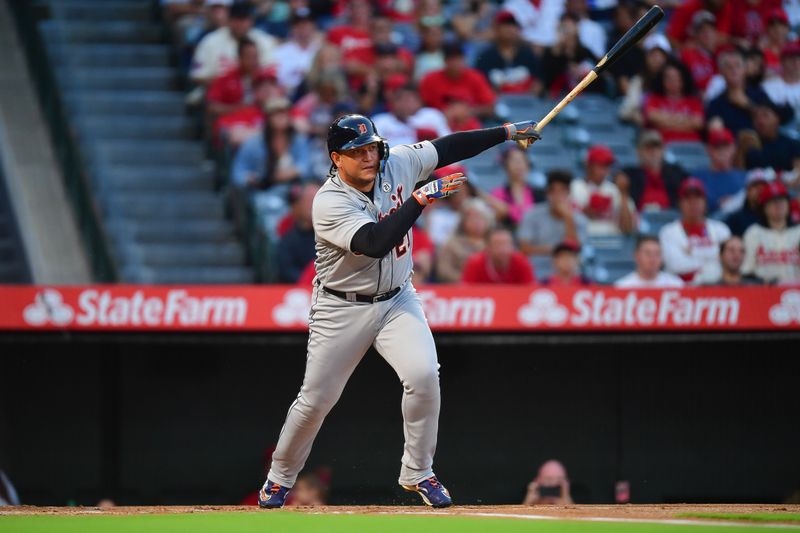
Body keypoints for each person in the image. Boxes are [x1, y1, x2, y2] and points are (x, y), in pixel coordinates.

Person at [257, 113, 541, 508]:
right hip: (342, 306)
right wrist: (420, 199)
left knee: (424, 375)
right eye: (357, 152)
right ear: (336, 158)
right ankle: (279, 478)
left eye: (372, 147)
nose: (369, 157)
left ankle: (418, 472)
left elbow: (448, 147)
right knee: (317, 399)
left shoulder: (398, 162)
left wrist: (506, 132)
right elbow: (374, 242)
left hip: (396, 298)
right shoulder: (329, 201)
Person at [659, 178, 732, 284]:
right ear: (680, 203)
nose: (693, 203)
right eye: (688, 199)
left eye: (697, 198)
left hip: (717, 292)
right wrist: (712, 257)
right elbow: (676, 265)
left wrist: (692, 252)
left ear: (705, 202)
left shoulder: (721, 229)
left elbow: (728, 263)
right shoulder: (667, 232)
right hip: (680, 292)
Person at [190, 1, 277, 86]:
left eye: (243, 20)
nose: (240, 24)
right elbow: (198, 76)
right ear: (228, 20)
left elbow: (271, 74)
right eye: (236, 19)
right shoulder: (211, 41)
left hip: (256, 94)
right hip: (216, 93)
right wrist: (228, 86)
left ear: (251, 21)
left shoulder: (264, 40)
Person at [231, 98, 310, 189]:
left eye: (284, 113)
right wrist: (251, 178)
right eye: (276, 113)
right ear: (267, 118)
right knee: (271, 203)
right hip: (263, 190)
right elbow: (237, 173)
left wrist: (290, 173)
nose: (281, 117)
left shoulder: (298, 140)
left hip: (293, 189)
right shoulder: (253, 143)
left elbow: (306, 166)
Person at [518, 170, 589, 256]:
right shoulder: (531, 214)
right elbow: (524, 249)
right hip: (537, 266)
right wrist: (556, 250)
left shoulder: (580, 219)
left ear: (569, 193)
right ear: (547, 194)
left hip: (567, 268)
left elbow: (575, 251)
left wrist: (568, 218)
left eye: (562, 191)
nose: (557, 196)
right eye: (553, 191)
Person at [419, 42, 497, 120]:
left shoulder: (475, 77)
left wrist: (468, 112)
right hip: (438, 123)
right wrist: (441, 114)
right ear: (445, 61)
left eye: (459, 58)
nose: (456, 63)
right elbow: (420, 107)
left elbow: (490, 108)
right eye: (452, 59)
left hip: (470, 125)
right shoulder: (430, 79)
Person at [570, 145, 636, 236]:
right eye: (600, 165)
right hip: (585, 240)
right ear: (588, 166)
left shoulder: (615, 190)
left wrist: (623, 193)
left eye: (607, 166)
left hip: (612, 242)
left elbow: (629, 228)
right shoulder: (575, 187)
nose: (605, 170)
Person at [742, 180, 800, 284]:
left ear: (788, 204)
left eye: (782, 200)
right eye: (773, 201)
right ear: (764, 207)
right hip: (764, 293)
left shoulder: (798, 232)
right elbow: (747, 270)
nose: (778, 205)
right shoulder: (753, 233)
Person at [705, 48, 773, 135]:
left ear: (745, 70)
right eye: (728, 66)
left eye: (737, 65)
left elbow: (773, 122)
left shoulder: (759, 94)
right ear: (721, 72)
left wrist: (748, 105)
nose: (733, 70)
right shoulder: (715, 104)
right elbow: (715, 132)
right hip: (732, 145)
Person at [475, 10, 542, 95]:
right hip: (497, 104)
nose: (510, 29)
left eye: (513, 25)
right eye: (505, 25)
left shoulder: (528, 54)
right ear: (496, 29)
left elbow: (538, 82)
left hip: (525, 104)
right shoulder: (485, 57)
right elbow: (479, 85)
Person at [621, 130, 688, 212]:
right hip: (638, 221)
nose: (653, 151)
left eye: (657, 147)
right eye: (648, 148)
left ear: (663, 151)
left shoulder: (677, 174)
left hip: (671, 220)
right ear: (638, 152)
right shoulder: (629, 175)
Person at [644, 60, 705, 144]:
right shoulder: (654, 98)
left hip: (691, 146)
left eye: (676, 77)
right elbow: (652, 117)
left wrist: (665, 122)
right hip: (662, 146)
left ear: (683, 79)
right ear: (662, 79)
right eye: (668, 77)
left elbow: (698, 123)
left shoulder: (693, 101)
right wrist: (685, 121)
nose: (672, 81)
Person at [435, 198, 494, 283]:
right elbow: (443, 270)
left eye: (480, 217)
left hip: (493, 289)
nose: (476, 222)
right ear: (464, 221)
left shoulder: (495, 242)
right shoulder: (452, 244)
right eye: (472, 218)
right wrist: (465, 280)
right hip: (460, 289)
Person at [371, 84, 450, 147]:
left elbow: (447, 142)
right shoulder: (380, 121)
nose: (406, 104)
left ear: (420, 102)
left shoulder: (431, 116)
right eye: (401, 100)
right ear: (393, 102)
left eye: (411, 100)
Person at [692, 128, 746, 212]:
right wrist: (717, 204)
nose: (722, 151)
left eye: (726, 146)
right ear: (708, 150)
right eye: (717, 147)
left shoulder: (744, 177)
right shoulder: (697, 177)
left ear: (734, 148)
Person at [276, 182, 320, 283]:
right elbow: (287, 272)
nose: (314, 204)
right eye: (309, 200)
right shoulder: (288, 241)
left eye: (318, 199)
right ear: (299, 204)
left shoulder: (335, 236)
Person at [739, 101, 800, 172]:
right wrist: (741, 150)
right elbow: (738, 173)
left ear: (777, 119)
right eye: (755, 116)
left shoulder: (792, 144)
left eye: (765, 115)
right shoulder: (749, 143)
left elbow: (798, 171)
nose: (760, 121)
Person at [273, 8, 322, 97]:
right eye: (298, 24)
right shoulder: (281, 51)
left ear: (314, 26)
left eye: (307, 23)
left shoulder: (320, 49)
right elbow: (277, 79)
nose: (303, 27)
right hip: (289, 94)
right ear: (292, 27)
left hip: (315, 94)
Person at [460, 226, 535, 284]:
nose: (502, 249)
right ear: (488, 247)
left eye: (506, 244)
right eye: (497, 244)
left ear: (512, 246)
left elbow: (530, 290)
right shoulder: (475, 263)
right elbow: (465, 292)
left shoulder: (522, 261)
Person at [486, 145, 536, 229]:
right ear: (506, 165)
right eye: (514, 161)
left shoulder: (538, 193)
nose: (518, 165)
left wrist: (507, 210)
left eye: (521, 160)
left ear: (527, 165)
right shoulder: (498, 194)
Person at [614, 235, 685, 288]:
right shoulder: (622, 287)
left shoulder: (676, 285)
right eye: (648, 253)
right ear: (636, 256)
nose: (653, 258)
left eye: (657, 253)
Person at [724, 167, 775, 236]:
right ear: (747, 190)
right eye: (755, 186)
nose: (760, 189)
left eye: (763, 186)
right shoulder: (736, 219)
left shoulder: (776, 215)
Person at [679, 10, 719, 94]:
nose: (707, 33)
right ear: (695, 34)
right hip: (695, 99)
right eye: (702, 30)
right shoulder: (687, 56)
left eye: (710, 29)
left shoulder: (723, 54)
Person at [697, 236, 764, 285]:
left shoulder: (756, 286)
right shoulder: (709, 289)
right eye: (731, 250)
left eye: (741, 251)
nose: (736, 255)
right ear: (720, 255)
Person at [761, 41, 800, 120]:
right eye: (791, 58)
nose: (796, 63)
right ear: (782, 61)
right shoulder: (768, 86)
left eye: (799, 59)